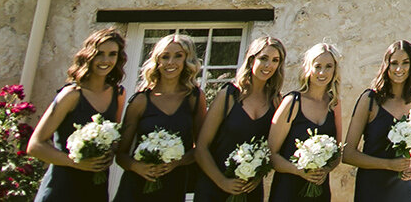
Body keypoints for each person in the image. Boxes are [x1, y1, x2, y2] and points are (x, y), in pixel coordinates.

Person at [27, 27, 127, 202]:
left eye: (112, 54)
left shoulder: (118, 94)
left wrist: (109, 152)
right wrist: (75, 162)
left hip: (95, 188)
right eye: (99, 53)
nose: (106, 60)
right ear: (89, 55)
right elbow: (35, 146)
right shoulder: (71, 95)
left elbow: (115, 140)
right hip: (62, 187)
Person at [195, 36, 286, 202]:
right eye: (263, 58)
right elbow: (201, 147)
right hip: (214, 189)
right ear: (251, 60)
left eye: (275, 60)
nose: (269, 65)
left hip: (249, 192)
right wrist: (222, 182)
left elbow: (273, 151)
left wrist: (258, 177)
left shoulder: (277, 101)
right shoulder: (229, 95)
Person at [114, 32, 203, 202]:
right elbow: (121, 154)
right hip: (136, 187)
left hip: (173, 185)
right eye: (165, 56)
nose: (171, 62)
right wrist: (137, 166)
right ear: (157, 61)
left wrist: (177, 162)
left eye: (178, 56)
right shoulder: (140, 100)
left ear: (187, 60)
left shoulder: (194, 98)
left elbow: (200, 149)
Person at [346, 40, 411, 202]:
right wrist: (389, 165)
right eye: (394, 63)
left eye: (405, 63)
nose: (399, 69)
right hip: (371, 187)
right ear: (386, 66)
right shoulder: (369, 100)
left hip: (401, 188)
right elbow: (348, 155)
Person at [271, 44, 344, 201]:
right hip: (287, 190)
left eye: (328, 66)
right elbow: (272, 155)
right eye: (317, 66)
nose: (322, 72)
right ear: (308, 68)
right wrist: (299, 170)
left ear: (335, 70)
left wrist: (325, 170)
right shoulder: (292, 102)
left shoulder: (334, 104)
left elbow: (338, 152)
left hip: (320, 191)